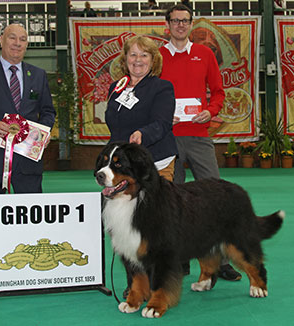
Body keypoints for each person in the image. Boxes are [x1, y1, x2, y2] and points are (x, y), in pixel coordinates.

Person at [159, 4, 242, 281]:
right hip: (167, 139)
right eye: (175, 20)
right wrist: (160, 117)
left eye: (185, 20)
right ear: (167, 24)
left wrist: (212, 111)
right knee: (173, 203)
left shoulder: (205, 54)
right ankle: (179, 260)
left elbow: (218, 93)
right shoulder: (156, 56)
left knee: (215, 198)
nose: (180, 25)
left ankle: (221, 262)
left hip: (198, 136)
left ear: (191, 24)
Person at [105, 35, 178, 297]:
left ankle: (159, 285)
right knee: (125, 228)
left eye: (144, 55)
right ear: (125, 59)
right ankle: (135, 284)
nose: (138, 60)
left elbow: (162, 123)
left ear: (153, 60)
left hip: (155, 163)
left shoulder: (162, 87)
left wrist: (141, 134)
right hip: (124, 171)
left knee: (155, 229)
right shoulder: (116, 87)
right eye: (133, 54)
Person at [0, 24, 56, 194]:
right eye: (12, 37)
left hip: (29, 162)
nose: (17, 43)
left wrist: (44, 133)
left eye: (23, 39)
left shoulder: (38, 75)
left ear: (27, 45)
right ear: (1, 40)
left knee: (32, 217)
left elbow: (48, 111)